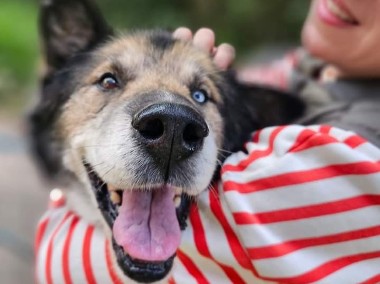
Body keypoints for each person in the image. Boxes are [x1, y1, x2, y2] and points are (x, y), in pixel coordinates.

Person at [35, 1, 380, 283]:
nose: (172, 121)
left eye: (200, 96)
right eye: (110, 81)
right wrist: (205, 88)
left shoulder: (360, 152)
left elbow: (64, 263)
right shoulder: (314, 64)